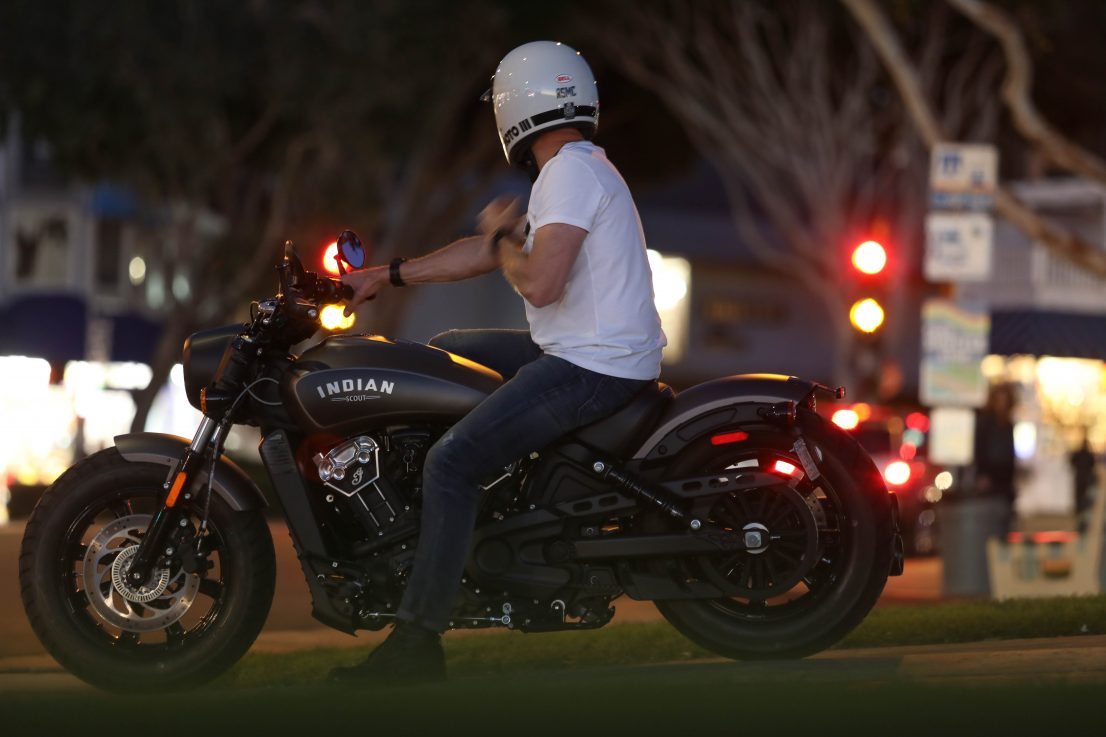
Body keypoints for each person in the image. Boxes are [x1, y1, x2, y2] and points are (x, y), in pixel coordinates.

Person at [329, 40, 666, 684]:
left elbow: (536, 282)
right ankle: (480, 513)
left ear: (514, 105)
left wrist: (504, 238)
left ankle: (416, 644)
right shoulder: (576, 168)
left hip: (593, 367)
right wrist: (386, 274)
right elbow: (485, 252)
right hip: (578, 352)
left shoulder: (569, 172)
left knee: (451, 462)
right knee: (443, 356)